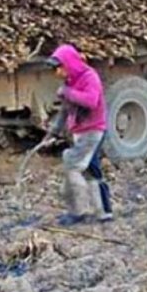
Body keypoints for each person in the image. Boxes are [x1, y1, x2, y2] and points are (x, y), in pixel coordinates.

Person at [46, 44, 113, 226]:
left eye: (58, 68)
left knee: (72, 165)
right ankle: (104, 213)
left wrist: (67, 92)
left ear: (68, 64)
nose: (57, 73)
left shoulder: (89, 77)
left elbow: (91, 101)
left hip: (92, 131)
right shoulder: (70, 81)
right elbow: (66, 110)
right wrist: (53, 131)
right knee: (92, 171)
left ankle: (78, 212)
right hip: (80, 132)